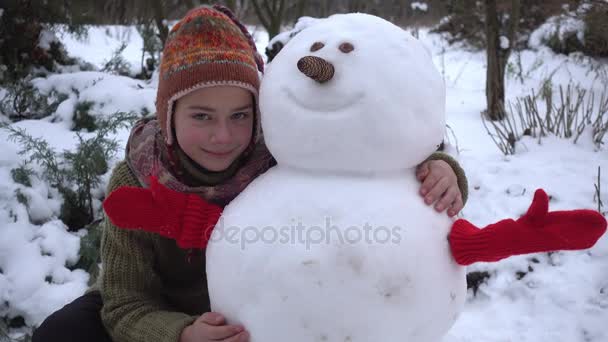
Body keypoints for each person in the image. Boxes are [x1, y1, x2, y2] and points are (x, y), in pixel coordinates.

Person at [32, 5, 468, 342]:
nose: (223, 135)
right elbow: (125, 305)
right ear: (167, 116)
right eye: (201, 116)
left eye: (240, 115)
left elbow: (370, 159)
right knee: (63, 332)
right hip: (164, 318)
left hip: (258, 318)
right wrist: (179, 332)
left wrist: (443, 169)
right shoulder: (136, 180)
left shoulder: (281, 160)